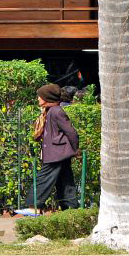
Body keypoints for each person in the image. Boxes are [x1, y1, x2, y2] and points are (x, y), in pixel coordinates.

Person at [31, 83, 80, 211]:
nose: (38, 99)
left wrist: (75, 149)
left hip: (57, 153)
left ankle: (33, 205)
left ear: (47, 97)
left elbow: (71, 132)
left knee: (43, 179)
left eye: (40, 96)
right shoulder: (49, 111)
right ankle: (70, 208)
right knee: (65, 181)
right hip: (57, 153)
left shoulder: (56, 111)